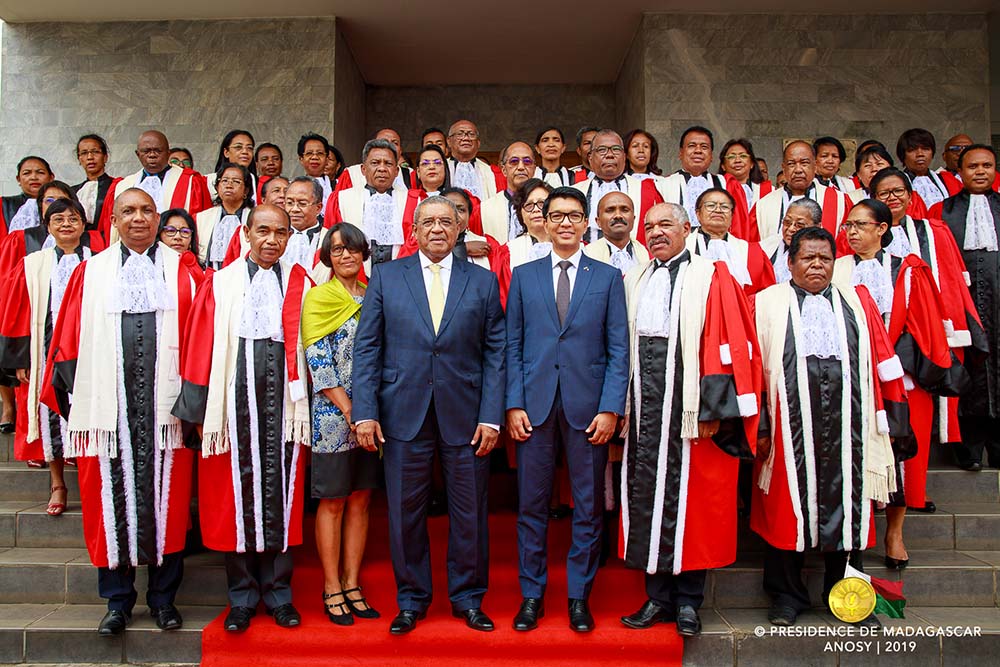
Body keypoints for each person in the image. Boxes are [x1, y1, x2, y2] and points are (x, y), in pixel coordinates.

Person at [42, 188, 199, 636]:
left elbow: (199, 338)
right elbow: (67, 341)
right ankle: (117, 601)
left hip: (167, 415)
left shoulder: (183, 273)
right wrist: (80, 395)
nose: (138, 218)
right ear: (111, 219)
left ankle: (164, 600)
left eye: (147, 210)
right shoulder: (89, 273)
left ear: (158, 218)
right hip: (108, 416)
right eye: (127, 211)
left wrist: (192, 405)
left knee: (166, 507)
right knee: (106, 506)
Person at [352, 195, 505, 635]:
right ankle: (412, 599)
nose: (438, 228)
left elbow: (496, 352)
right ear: (414, 231)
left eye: (447, 221)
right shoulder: (386, 276)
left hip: (467, 414)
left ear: (460, 229)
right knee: (405, 512)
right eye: (428, 222)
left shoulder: (482, 280)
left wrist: (491, 416)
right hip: (402, 413)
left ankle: (469, 598)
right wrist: (366, 411)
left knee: (470, 512)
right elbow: (368, 348)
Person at [751, 226, 907, 628]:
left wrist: (891, 419)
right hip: (789, 428)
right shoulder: (766, 303)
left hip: (849, 426)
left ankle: (846, 595)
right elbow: (752, 370)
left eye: (825, 258)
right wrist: (762, 426)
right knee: (787, 509)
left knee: (850, 508)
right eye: (808, 258)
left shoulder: (858, 302)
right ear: (790, 263)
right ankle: (786, 595)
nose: (817, 265)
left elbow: (883, 361)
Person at [619, 202, 761, 637]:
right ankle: (656, 598)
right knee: (647, 500)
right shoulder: (634, 278)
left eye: (665, 224)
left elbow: (728, 343)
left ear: (687, 228)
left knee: (694, 506)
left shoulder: (713, 277)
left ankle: (688, 602)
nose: (656, 232)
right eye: (650, 226)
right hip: (645, 412)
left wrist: (712, 409)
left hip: (691, 414)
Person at [172, 204, 311, 634]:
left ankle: (280, 595)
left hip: (286, 412)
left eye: (280, 233)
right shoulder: (221, 283)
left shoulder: (300, 282)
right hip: (233, 412)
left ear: (290, 237)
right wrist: (196, 414)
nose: (272, 240)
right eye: (263, 231)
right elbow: (199, 347)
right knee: (235, 503)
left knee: (282, 502)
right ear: (246, 233)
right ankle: (242, 598)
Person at [505, 186, 628, 633]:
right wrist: (513, 403)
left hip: (588, 408)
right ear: (542, 220)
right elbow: (513, 345)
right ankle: (531, 597)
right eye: (555, 215)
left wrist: (612, 408)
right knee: (531, 506)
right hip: (533, 408)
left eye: (573, 216)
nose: (563, 223)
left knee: (588, 507)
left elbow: (619, 349)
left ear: (585, 223)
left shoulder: (608, 277)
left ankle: (579, 597)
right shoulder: (524, 274)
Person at [832, 198, 965, 569]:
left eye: (860, 225)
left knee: (903, 454)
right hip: (853, 374)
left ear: (882, 229)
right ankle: (855, 534)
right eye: (848, 226)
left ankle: (895, 531)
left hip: (902, 374)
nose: (852, 232)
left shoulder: (907, 270)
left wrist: (891, 356)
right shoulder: (837, 268)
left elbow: (924, 324)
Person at [870, 167, 986, 459]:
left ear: (910, 196)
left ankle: (918, 486)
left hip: (929, 325)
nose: (892, 197)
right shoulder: (862, 233)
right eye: (884, 193)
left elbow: (951, 279)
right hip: (884, 327)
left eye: (898, 191)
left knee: (924, 400)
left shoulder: (934, 231)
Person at [302, 222, 380, 626]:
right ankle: (331, 585)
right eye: (337, 250)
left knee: (361, 498)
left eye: (352, 249)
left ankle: (353, 582)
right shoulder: (318, 298)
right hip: (334, 416)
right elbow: (319, 364)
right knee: (332, 500)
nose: (346, 256)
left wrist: (368, 413)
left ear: (362, 252)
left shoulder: (372, 296)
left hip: (371, 416)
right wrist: (352, 412)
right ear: (327, 257)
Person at [0, 200, 95, 517]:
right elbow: (17, 311)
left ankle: (92, 485)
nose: (67, 224)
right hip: (47, 352)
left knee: (89, 417)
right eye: (59, 219)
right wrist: (20, 357)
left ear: (84, 225)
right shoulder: (33, 264)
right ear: (47, 225)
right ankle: (58, 484)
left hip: (90, 352)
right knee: (50, 417)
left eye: (73, 218)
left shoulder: (98, 260)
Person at [930, 144, 1000, 470]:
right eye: (973, 166)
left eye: (987, 165)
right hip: (962, 309)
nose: (981, 171)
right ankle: (968, 447)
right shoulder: (941, 211)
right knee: (968, 373)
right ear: (960, 171)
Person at [98, 131, 210, 244]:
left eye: (158, 151)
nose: (152, 155)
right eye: (146, 151)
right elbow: (110, 229)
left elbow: (202, 224)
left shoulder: (191, 181)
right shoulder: (122, 186)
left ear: (168, 153)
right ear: (137, 154)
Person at [324, 139, 409, 271]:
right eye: (375, 163)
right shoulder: (341, 200)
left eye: (388, 163)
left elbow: (415, 243)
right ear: (363, 169)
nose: (382, 168)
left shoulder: (413, 200)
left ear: (397, 171)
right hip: (353, 278)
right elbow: (331, 245)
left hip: (401, 276)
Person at [749, 141, 852, 242]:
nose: (798, 170)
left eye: (804, 163)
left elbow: (847, 245)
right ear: (783, 168)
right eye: (791, 164)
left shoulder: (839, 201)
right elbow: (753, 250)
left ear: (815, 166)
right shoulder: (763, 206)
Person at [573, 129, 663, 244]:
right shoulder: (575, 192)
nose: (609, 155)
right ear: (590, 157)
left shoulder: (647, 191)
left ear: (624, 156)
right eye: (602, 150)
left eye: (616, 149)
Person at [686, 188, 775, 296]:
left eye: (725, 207)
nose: (718, 210)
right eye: (710, 205)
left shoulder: (752, 252)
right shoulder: (682, 247)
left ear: (732, 215)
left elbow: (765, 296)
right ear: (698, 214)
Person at [657, 126, 727, 227]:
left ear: (711, 155)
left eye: (704, 147)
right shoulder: (663, 184)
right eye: (691, 146)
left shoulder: (725, 183)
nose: (698, 151)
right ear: (681, 153)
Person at [195, 163, 253, 270]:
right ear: (217, 187)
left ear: (246, 191)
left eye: (236, 181)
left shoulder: (255, 218)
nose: (229, 185)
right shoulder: (200, 218)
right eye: (224, 181)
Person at [481, 141, 537, 243]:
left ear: (534, 168)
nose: (521, 167)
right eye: (514, 162)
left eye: (527, 161)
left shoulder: (547, 205)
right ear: (503, 170)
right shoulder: (484, 209)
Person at [583, 191, 650, 274]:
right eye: (610, 210)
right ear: (598, 221)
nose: (618, 215)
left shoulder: (649, 255)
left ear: (633, 219)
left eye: (625, 210)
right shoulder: (585, 255)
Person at [759, 198, 823, 283]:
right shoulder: (766, 246)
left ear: (817, 227)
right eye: (787, 222)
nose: (791, 228)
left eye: (799, 225)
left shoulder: (824, 253)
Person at [719, 138, 773, 239]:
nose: (738, 160)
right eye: (731, 157)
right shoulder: (716, 189)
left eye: (743, 156)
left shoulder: (770, 192)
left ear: (752, 163)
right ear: (723, 166)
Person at [335, 128, 415, 193]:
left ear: (400, 151)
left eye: (395, 143)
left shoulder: (410, 175)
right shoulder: (351, 174)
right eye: (383, 142)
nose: (389, 146)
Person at [446, 119, 506, 200]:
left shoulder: (493, 173)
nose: (466, 138)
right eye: (460, 134)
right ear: (449, 141)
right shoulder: (440, 168)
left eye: (471, 134)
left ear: (478, 143)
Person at [1, 156, 54, 243]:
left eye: (40, 172)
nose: (33, 177)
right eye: (26, 173)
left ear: (51, 177)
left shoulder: (61, 204)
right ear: (18, 179)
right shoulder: (4, 205)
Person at [897, 128, 950, 210]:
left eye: (925, 149)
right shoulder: (897, 183)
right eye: (912, 150)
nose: (920, 154)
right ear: (903, 155)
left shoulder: (947, 180)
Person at [72, 134, 116, 227]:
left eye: (95, 152)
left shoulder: (117, 186)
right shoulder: (73, 192)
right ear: (79, 159)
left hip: (108, 239)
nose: (90, 157)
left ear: (105, 157)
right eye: (84, 153)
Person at [281, 177, 325, 270]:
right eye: (290, 203)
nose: (295, 209)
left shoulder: (328, 238)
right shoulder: (275, 236)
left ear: (318, 207)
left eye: (302, 204)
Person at [207, 130, 258, 204]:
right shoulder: (209, 180)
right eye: (238, 147)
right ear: (226, 152)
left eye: (249, 148)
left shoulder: (254, 179)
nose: (245, 152)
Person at [297, 132, 335, 208]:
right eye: (309, 153)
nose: (314, 157)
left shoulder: (338, 187)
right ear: (301, 159)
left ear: (327, 159)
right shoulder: (294, 187)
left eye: (320, 153)